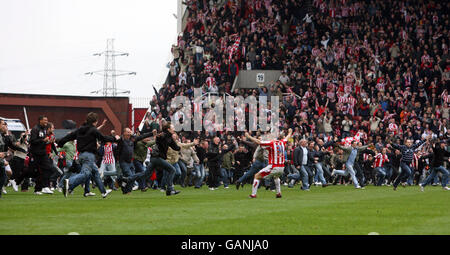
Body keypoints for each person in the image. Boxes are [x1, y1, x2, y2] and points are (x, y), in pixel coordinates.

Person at [57, 112, 117, 198]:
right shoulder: (93, 130)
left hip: (81, 155)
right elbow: (103, 138)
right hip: (89, 155)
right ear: (95, 121)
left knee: (95, 172)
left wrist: (60, 143)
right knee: (86, 174)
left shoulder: (80, 130)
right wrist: (114, 138)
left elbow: (69, 136)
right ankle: (69, 182)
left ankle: (103, 192)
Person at [120, 122, 182, 196]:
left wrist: (180, 147)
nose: (174, 129)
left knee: (145, 174)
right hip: (157, 158)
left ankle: (127, 179)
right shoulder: (163, 135)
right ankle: (169, 190)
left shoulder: (169, 138)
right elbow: (159, 139)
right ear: (168, 129)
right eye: (172, 128)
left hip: (154, 159)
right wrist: (158, 136)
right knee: (172, 170)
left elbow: (175, 147)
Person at [244, 128, 293, 198]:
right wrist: (290, 132)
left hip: (274, 166)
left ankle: (253, 194)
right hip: (282, 167)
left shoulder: (271, 143)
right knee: (276, 177)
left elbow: (259, 142)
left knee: (257, 176)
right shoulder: (282, 142)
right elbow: (288, 137)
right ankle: (278, 193)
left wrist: (249, 137)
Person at [0, 119, 27, 198]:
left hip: (3, 157)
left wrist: (22, 149)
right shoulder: (5, 136)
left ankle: (3, 186)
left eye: (5, 125)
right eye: (3, 124)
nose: (5, 126)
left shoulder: (7, 136)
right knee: (5, 174)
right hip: (11, 157)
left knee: (7, 174)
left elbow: (14, 145)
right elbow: (14, 145)